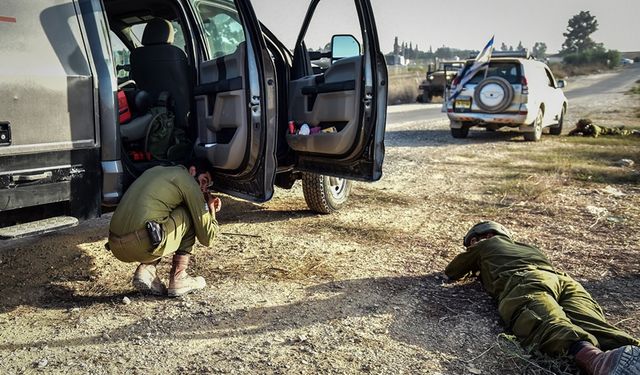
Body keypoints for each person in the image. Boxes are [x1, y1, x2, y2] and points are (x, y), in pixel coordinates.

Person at [445, 221, 640, 375]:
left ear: (485, 235)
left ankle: (596, 361)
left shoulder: (485, 243)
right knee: (593, 323)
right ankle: (628, 352)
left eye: (471, 241)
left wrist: (475, 260)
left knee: (544, 320)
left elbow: (453, 271)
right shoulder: (530, 248)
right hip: (565, 281)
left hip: (526, 279)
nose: (471, 246)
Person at [107, 161, 221, 297]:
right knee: (189, 213)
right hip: (141, 243)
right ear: (192, 171)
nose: (203, 188)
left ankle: (147, 269)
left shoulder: (156, 171)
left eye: (208, 186)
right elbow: (208, 238)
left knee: (159, 214)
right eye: (204, 181)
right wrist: (210, 208)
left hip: (116, 246)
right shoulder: (188, 182)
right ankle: (179, 278)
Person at [568, 118, 638, 137]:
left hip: (608, 132)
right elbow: (570, 133)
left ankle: (633, 131)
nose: (579, 127)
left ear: (586, 126)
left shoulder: (594, 128)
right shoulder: (581, 128)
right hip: (605, 129)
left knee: (620, 133)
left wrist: (582, 136)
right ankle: (619, 128)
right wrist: (575, 132)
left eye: (580, 126)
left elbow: (593, 136)